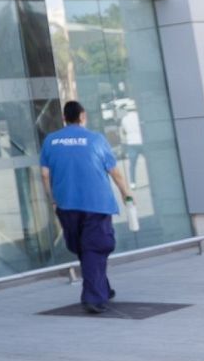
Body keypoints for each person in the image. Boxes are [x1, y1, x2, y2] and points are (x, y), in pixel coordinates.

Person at [41, 100, 134, 314]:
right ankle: (93, 297)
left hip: (66, 204)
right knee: (94, 247)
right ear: (82, 116)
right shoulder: (96, 139)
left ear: (65, 117)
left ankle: (102, 288)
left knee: (85, 247)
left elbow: (45, 174)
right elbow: (115, 172)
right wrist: (126, 192)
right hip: (96, 203)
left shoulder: (50, 141)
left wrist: (53, 199)